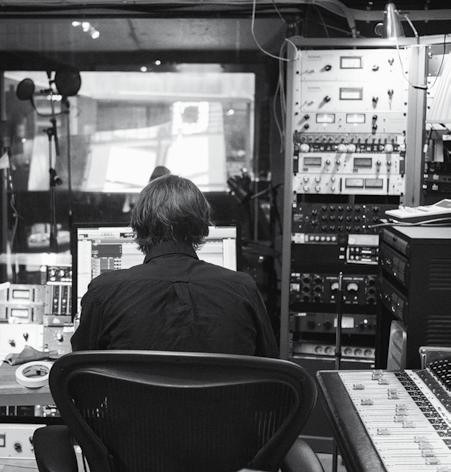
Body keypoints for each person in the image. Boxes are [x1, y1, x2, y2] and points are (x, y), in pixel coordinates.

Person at [71, 174, 278, 357]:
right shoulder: (243, 289)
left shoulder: (104, 292)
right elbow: (272, 372)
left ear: (137, 228)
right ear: (204, 228)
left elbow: (79, 373)